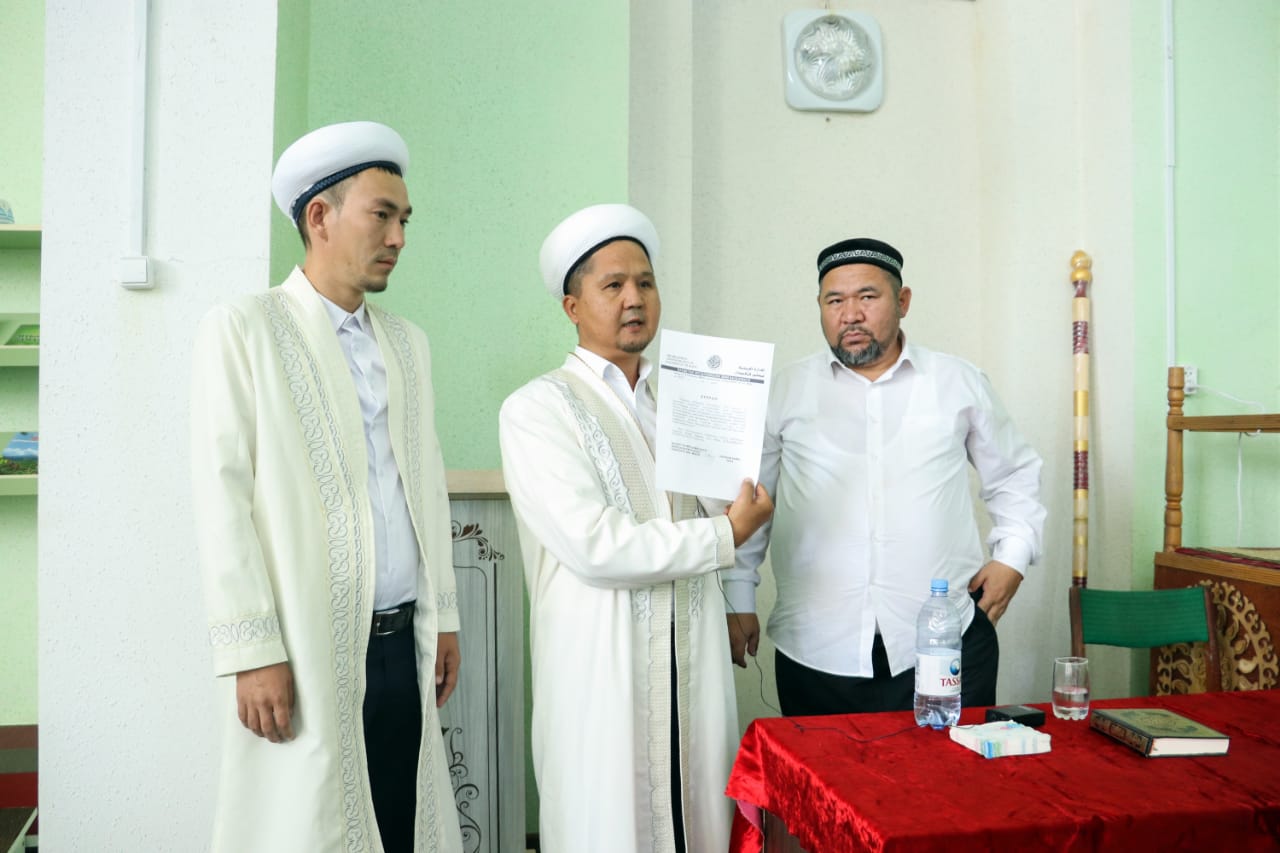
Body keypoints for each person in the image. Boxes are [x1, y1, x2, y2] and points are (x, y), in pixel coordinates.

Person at [190, 121, 464, 853]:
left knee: (400, 823)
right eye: (382, 215)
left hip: (404, 639)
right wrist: (252, 649)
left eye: (404, 220)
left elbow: (426, 487)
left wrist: (445, 615)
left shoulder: (407, 343)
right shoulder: (244, 329)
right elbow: (222, 499)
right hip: (305, 648)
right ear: (320, 216)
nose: (398, 237)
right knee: (309, 827)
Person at [498, 204, 774, 853]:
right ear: (572, 306)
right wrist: (726, 536)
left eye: (646, 283)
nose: (634, 299)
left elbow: (721, 509)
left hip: (694, 663)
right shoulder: (538, 409)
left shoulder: (682, 403)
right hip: (600, 675)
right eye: (614, 284)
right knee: (607, 824)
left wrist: (736, 523)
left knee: (700, 817)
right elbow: (594, 545)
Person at [725, 237, 1046, 717]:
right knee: (819, 769)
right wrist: (738, 595)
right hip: (817, 650)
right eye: (835, 301)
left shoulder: (957, 382)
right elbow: (752, 502)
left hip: (945, 642)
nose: (850, 315)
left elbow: (1015, 474)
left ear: (903, 301)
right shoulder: (786, 391)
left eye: (867, 297)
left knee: (951, 768)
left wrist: (1012, 558)